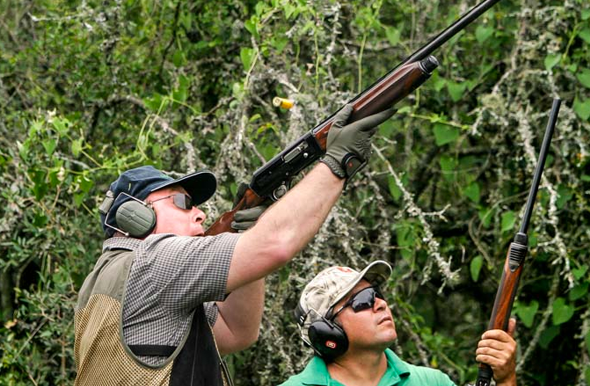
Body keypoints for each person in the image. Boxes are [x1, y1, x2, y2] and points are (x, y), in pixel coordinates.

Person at [73, 104, 395, 386]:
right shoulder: (153, 262)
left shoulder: (105, 280)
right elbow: (276, 245)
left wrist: (245, 234)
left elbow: (237, 331)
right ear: (135, 215)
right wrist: (339, 161)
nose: (200, 214)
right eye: (183, 202)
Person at [280, 261, 518, 386]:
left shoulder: (432, 382)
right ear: (327, 332)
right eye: (363, 301)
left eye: (377, 294)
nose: (381, 304)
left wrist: (506, 379)